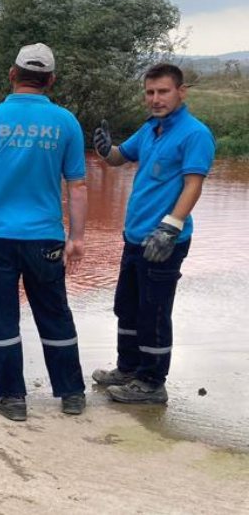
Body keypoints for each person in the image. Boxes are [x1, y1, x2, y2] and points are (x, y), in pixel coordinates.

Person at [0, 43, 88, 421]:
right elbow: (76, 186)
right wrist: (76, 238)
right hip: (45, 238)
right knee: (54, 313)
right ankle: (71, 394)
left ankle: (12, 398)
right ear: (50, 80)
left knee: (1, 317)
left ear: (13, 74)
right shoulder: (66, 123)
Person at [90, 63, 215, 404]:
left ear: (181, 92)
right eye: (150, 92)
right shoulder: (150, 130)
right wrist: (105, 149)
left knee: (154, 311)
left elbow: (194, 185)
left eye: (163, 91)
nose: (156, 99)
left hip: (165, 241)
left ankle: (151, 382)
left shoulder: (194, 134)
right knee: (126, 307)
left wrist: (170, 226)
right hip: (135, 236)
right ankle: (128, 368)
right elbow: (118, 158)